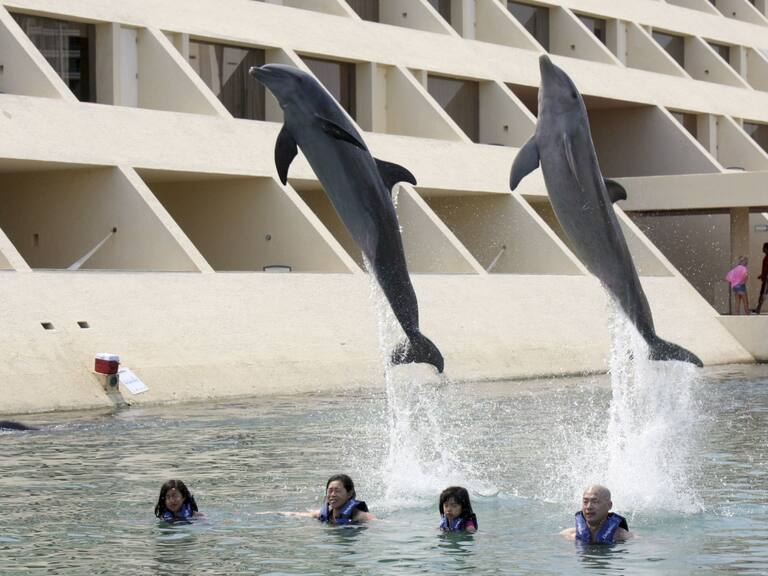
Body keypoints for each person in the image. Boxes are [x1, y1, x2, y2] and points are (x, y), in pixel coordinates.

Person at [560, 485, 633, 544]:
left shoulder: (623, 537)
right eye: (585, 502)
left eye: (595, 502)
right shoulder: (568, 535)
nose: (589, 507)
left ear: (609, 505)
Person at [754, 243, 768, 314]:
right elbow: (765, 270)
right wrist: (762, 275)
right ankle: (758, 309)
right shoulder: (766, 258)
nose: (762, 249)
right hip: (765, 279)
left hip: (767, 281)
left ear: (766, 248)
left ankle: (758, 309)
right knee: (762, 294)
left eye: (763, 247)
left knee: (762, 294)